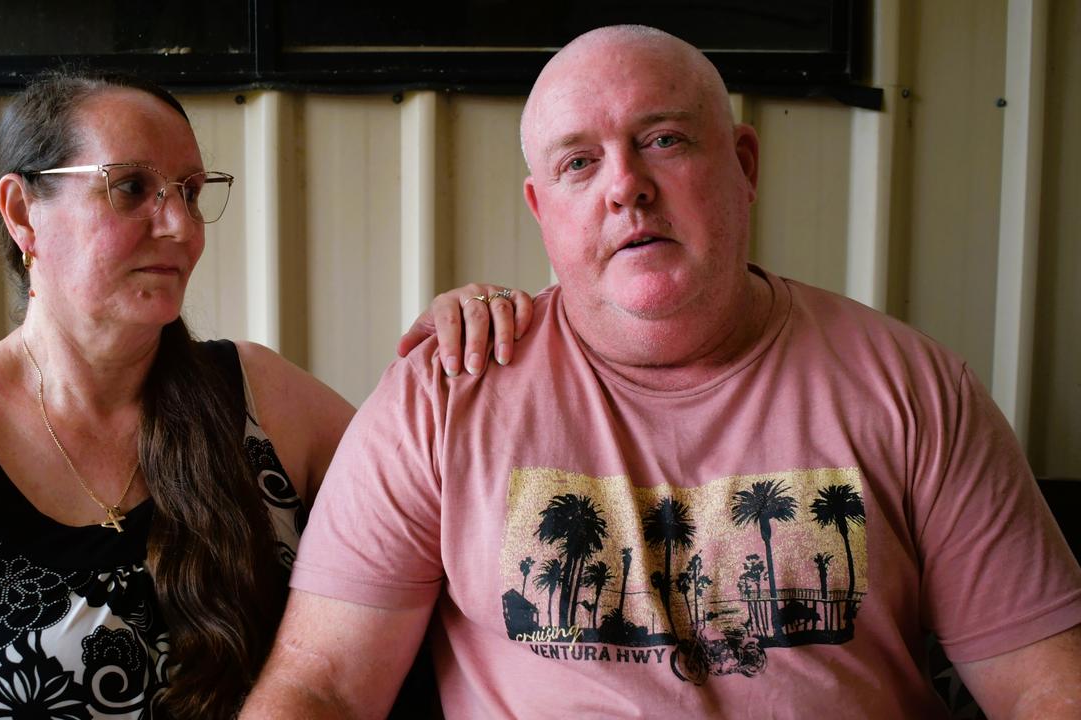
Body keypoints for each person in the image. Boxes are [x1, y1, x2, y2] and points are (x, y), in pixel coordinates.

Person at [241, 25, 1081, 719]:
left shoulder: (914, 391)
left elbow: (1047, 688)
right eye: (579, 162)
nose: (627, 188)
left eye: (664, 140)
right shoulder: (444, 392)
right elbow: (323, 689)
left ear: (744, 166)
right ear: (543, 210)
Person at [0, 69, 533, 719]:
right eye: (131, 188)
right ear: (23, 212)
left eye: (189, 190)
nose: (181, 226)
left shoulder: (260, 396)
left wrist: (473, 346)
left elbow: (451, 517)